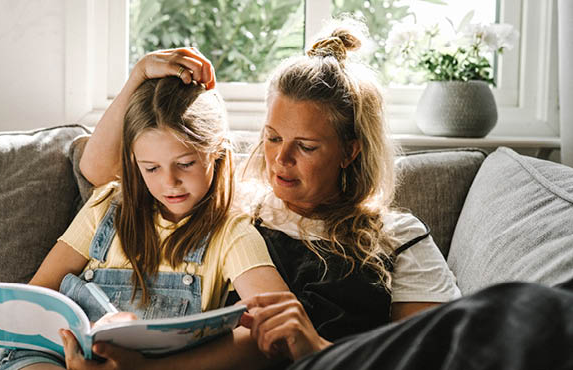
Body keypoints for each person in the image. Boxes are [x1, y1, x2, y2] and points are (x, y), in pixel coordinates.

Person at [61, 19, 464, 369]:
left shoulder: (398, 238)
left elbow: (435, 357)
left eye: (305, 146)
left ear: (350, 150)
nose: (280, 160)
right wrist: (138, 78)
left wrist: (316, 350)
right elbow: (98, 171)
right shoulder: (231, 202)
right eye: (272, 138)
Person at [0, 71, 290, 369]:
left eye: (185, 164)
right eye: (151, 169)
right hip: (57, 354)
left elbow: (279, 326)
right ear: (135, 163)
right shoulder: (106, 207)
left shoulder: (231, 233)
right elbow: (41, 290)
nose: (170, 181)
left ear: (216, 154)